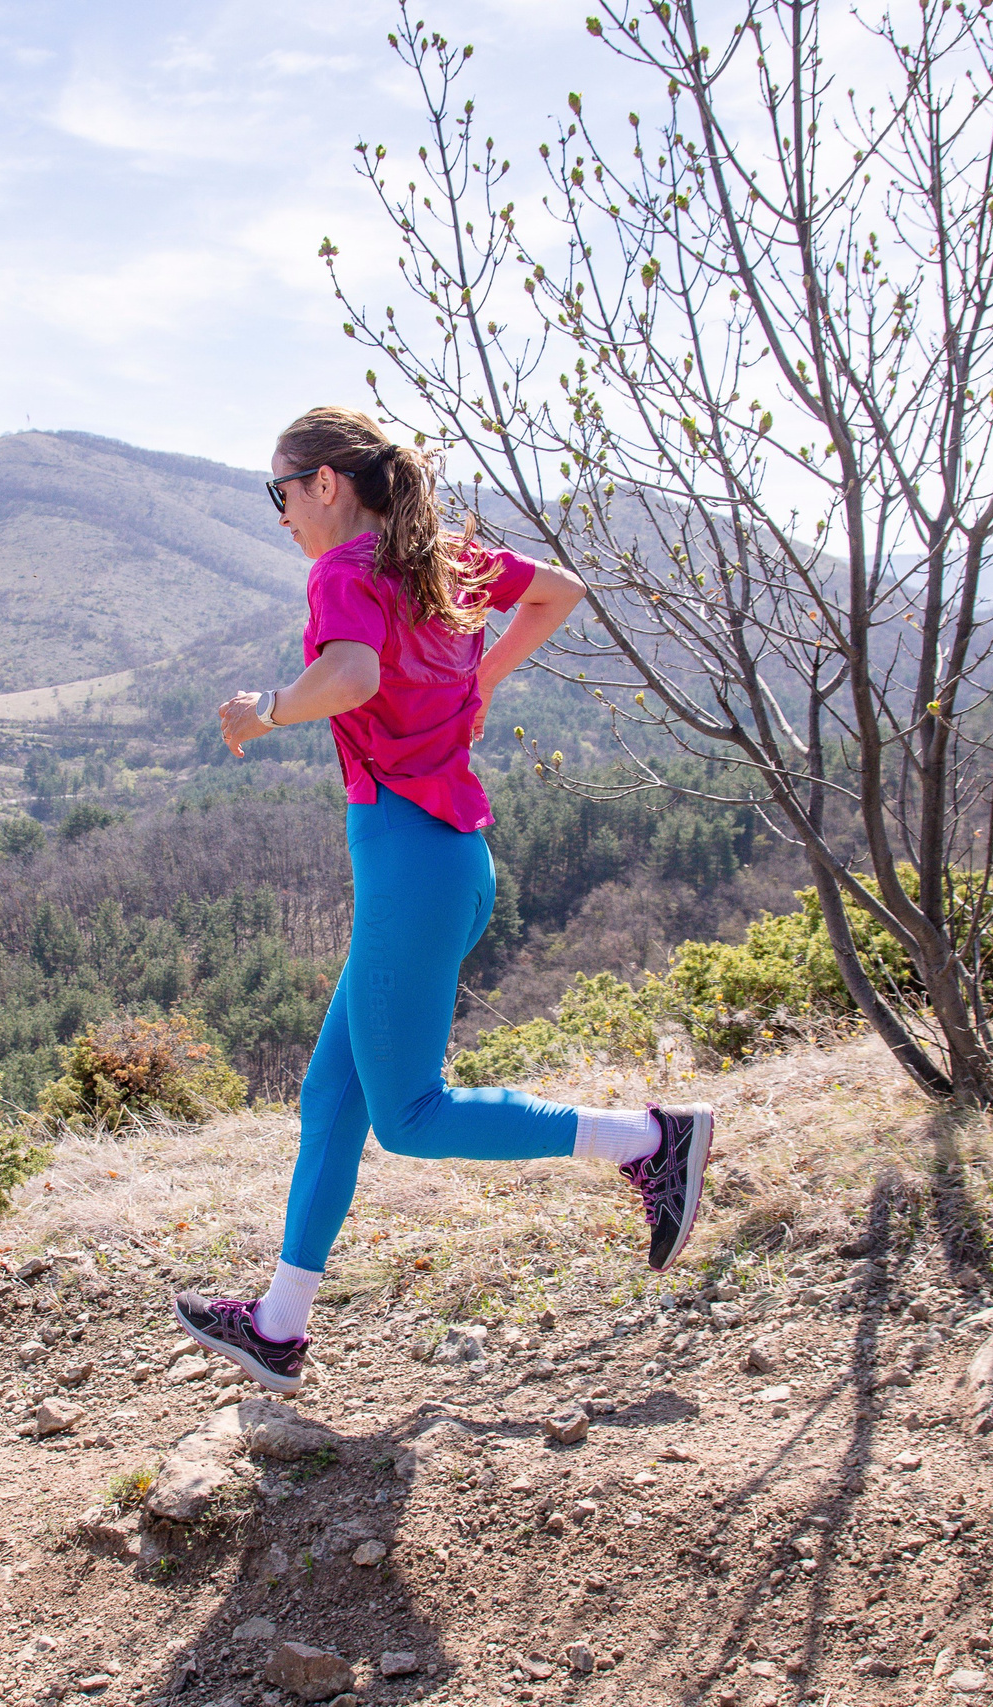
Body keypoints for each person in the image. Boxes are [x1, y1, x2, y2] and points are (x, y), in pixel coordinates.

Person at [172, 405, 715, 1397]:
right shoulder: (440, 559)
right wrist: (485, 683)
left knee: (412, 1115)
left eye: (280, 493)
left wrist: (264, 713)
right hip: (442, 862)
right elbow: (559, 593)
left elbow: (351, 673)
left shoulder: (343, 571)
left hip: (411, 867)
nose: (282, 513)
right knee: (331, 1097)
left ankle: (649, 1140)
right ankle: (278, 1327)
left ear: (325, 485)